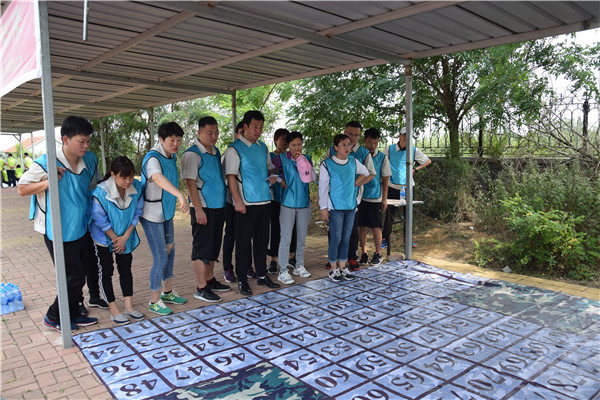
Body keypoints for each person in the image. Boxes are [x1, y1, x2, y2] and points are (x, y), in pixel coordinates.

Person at [17, 116, 99, 332]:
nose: (86, 146)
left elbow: (92, 187)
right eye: (81, 141)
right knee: (73, 276)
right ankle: (53, 316)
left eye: (88, 141)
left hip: (80, 225)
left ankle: (73, 313)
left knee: (80, 272)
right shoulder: (46, 162)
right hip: (57, 228)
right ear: (65, 139)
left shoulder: (89, 160)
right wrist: (49, 181)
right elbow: (22, 189)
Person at [223, 110, 280, 295]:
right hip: (245, 204)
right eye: (255, 127)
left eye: (261, 127)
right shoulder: (234, 149)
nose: (258, 131)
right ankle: (242, 279)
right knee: (243, 244)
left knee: (262, 242)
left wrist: (273, 176)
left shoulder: (263, 147)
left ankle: (262, 275)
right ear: (245, 126)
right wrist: (237, 201)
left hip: (264, 200)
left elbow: (269, 168)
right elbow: (230, 177)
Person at [141, 121, 190, 316]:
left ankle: (167, 292)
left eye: (179, 140)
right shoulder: (153, 158)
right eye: (171, 140)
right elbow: (157, 177)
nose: (176, 144)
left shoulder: (172, 155)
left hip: (166, 212)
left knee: (170, 251)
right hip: (152, 214)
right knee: (160, 256)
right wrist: (179, 195)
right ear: (161, 139)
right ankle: (154, 300)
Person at [181, 116, 231, 303]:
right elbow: (190, 183)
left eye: (216, 132)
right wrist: (198, 209)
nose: (214, 136)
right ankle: (201, 288)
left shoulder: (216, 152)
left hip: (218, 206)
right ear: (199, 132)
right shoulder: (191, 154)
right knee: (201, 248)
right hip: (203, 208)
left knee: (213, 247)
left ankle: (210, 280)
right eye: (210, 133)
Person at [90, 156, 145, 325]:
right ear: (113, 175)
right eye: (123, 177)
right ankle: (114, 311)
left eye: (131, 177)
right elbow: (99, 220)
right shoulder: (101, 192)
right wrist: (116, 240)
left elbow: (137, 212)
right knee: (106, 270)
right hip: (104, 238)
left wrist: (126, 237)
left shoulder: (137, 187)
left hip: (125, 236)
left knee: (125, 269)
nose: (128, 181)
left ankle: (129, 307)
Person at [319, 134, 370, 282]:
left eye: (348, 144)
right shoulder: (327, 164)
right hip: (335, 207)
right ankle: (333, 269)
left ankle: (342, 267)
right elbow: (323, 188)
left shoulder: (353, 161)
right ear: (335, 147)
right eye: (343, 145)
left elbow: (366, 172)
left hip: (350, 206)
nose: (347, 147)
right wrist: (323, 208)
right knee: (336, 238)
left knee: (346, 238)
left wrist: (354, 184)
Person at [325, 121, 375, 271]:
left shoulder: (363, 153)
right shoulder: (332, 150)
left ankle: (352, 258)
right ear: (345, 132)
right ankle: (333, 259)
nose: (353, 138)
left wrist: (354, 184)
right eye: (350, 134)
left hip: (353, 198)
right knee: (334, 229)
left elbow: (371, 173)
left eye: (357, 135)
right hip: (335, 199)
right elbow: (326, 172)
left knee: (351, 229)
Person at [275, 131, 316, 285]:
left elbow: (313, 177)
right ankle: (283, 270)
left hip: (304, 203)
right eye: (293, 145)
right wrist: (279, 180)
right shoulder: (281, 159)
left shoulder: (307, 158)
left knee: (301, 237)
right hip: (288, 203)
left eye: (299, 144)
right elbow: (268, 171)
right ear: (288, 145)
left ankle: (299, 265)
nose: (297, 148)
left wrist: (303, 162)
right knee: (286, 238)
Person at [382, 127, 432, 247]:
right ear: (399, 135)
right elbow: (380, 161)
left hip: (408, 186)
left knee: (408, 214)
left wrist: (415, 170)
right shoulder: (389, 149)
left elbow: (427, 161)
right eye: (404, 134)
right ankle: (385, 239)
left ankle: (408, 239)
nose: (406, 137)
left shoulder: (414, 150)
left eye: (408, 135)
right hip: (392, 186)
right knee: (389, 214)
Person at [357, 128, 391, 266]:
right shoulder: (359, 154)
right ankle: (364, 253)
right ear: (364, 140)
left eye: (375, 143)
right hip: (359, 196)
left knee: (376, 226)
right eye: (370, 142)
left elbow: (386, 178)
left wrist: (384, 199)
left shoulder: (382, 158)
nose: (372, 146)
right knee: (361, 226)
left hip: (375, 196)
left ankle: (378, 253)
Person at [268, 128, 297, 274]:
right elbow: (271, 174)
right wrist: (280, 180)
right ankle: (273, 260)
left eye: (287, 139)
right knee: (275, 229)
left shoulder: (291, 157)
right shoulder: (270, 156)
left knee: (292, 228)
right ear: (275, 140)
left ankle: (292, 257)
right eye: (282, 139)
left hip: (290, 199)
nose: (284, 142)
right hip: (275, 198)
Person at [221, 121, 247, 283]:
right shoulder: (229, 153)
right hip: (230, 201)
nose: (243, 136)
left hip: (248, 201)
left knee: (245, 235)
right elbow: (226, 178)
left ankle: (245, 265)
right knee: (231, 234)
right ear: (236, 135)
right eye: (241, 133)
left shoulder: (252, 152)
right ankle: (228, 268)